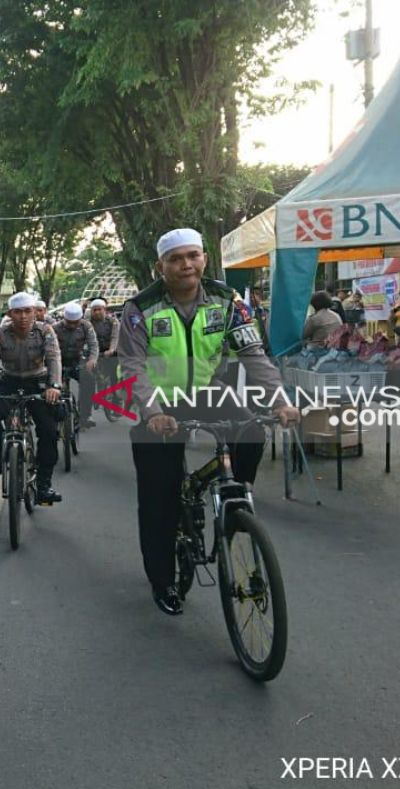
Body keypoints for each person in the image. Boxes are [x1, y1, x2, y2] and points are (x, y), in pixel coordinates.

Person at [119, 227, 299, 617]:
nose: (186, 264)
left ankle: (234, 499)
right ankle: (163, 580)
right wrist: (152, 413)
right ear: (160, 266)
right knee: (158, 500)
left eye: (193, 256)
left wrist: (281, 402)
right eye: (176, 259)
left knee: (252, 430)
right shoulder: (139, 308)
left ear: (203, 259)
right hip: (159, 405)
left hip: (207, 393)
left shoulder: (226, 299)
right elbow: (133, 368)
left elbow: (253, 354)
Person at [0, 291, 64, 505]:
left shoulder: (45, 331)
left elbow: (54, 358)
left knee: (49, 430)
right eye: (17, 312)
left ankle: (44, 484)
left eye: (28, 311)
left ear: (35, 312)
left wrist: (54, 386)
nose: (23, 316)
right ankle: (3, 451)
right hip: (9, 382)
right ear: (10, 313)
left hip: (38, 383)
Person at [53, 302, 99, 429]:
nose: (72, 325)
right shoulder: (55, 328)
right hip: (59, 362)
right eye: (69, 322)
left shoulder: (86, 326)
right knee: (53, 386)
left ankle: (85, 415)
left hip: (78, 361)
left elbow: (93, 344)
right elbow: (48, 347)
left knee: (89, 380)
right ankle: (55, 416)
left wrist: (92, 359)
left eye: (76, 322)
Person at [88, 297, 120, 391]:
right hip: (96, 354)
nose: (97, 312)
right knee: (98, 379)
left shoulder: (113, 321)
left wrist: (111, 349)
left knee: (115, 379)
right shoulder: (87, 323)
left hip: (112, 354)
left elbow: (115, 337)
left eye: (99, 309)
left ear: (104, 310)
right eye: (94, 310)